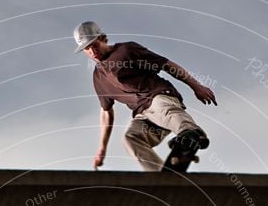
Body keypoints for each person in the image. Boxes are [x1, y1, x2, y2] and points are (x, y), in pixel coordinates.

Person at [74, 21, 217, 172]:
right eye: (87, 48)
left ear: (102, 38)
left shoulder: (126, 50)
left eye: (94, 45)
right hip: (144, 114)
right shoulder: (98, 78)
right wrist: (102, 148)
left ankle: (192, 133)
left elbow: (166, 64)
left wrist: (196, 86)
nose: (92, 51)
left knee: (164, 110)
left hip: (159, 96)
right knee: (131, 138)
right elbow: (106, 112)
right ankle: (160, 176)